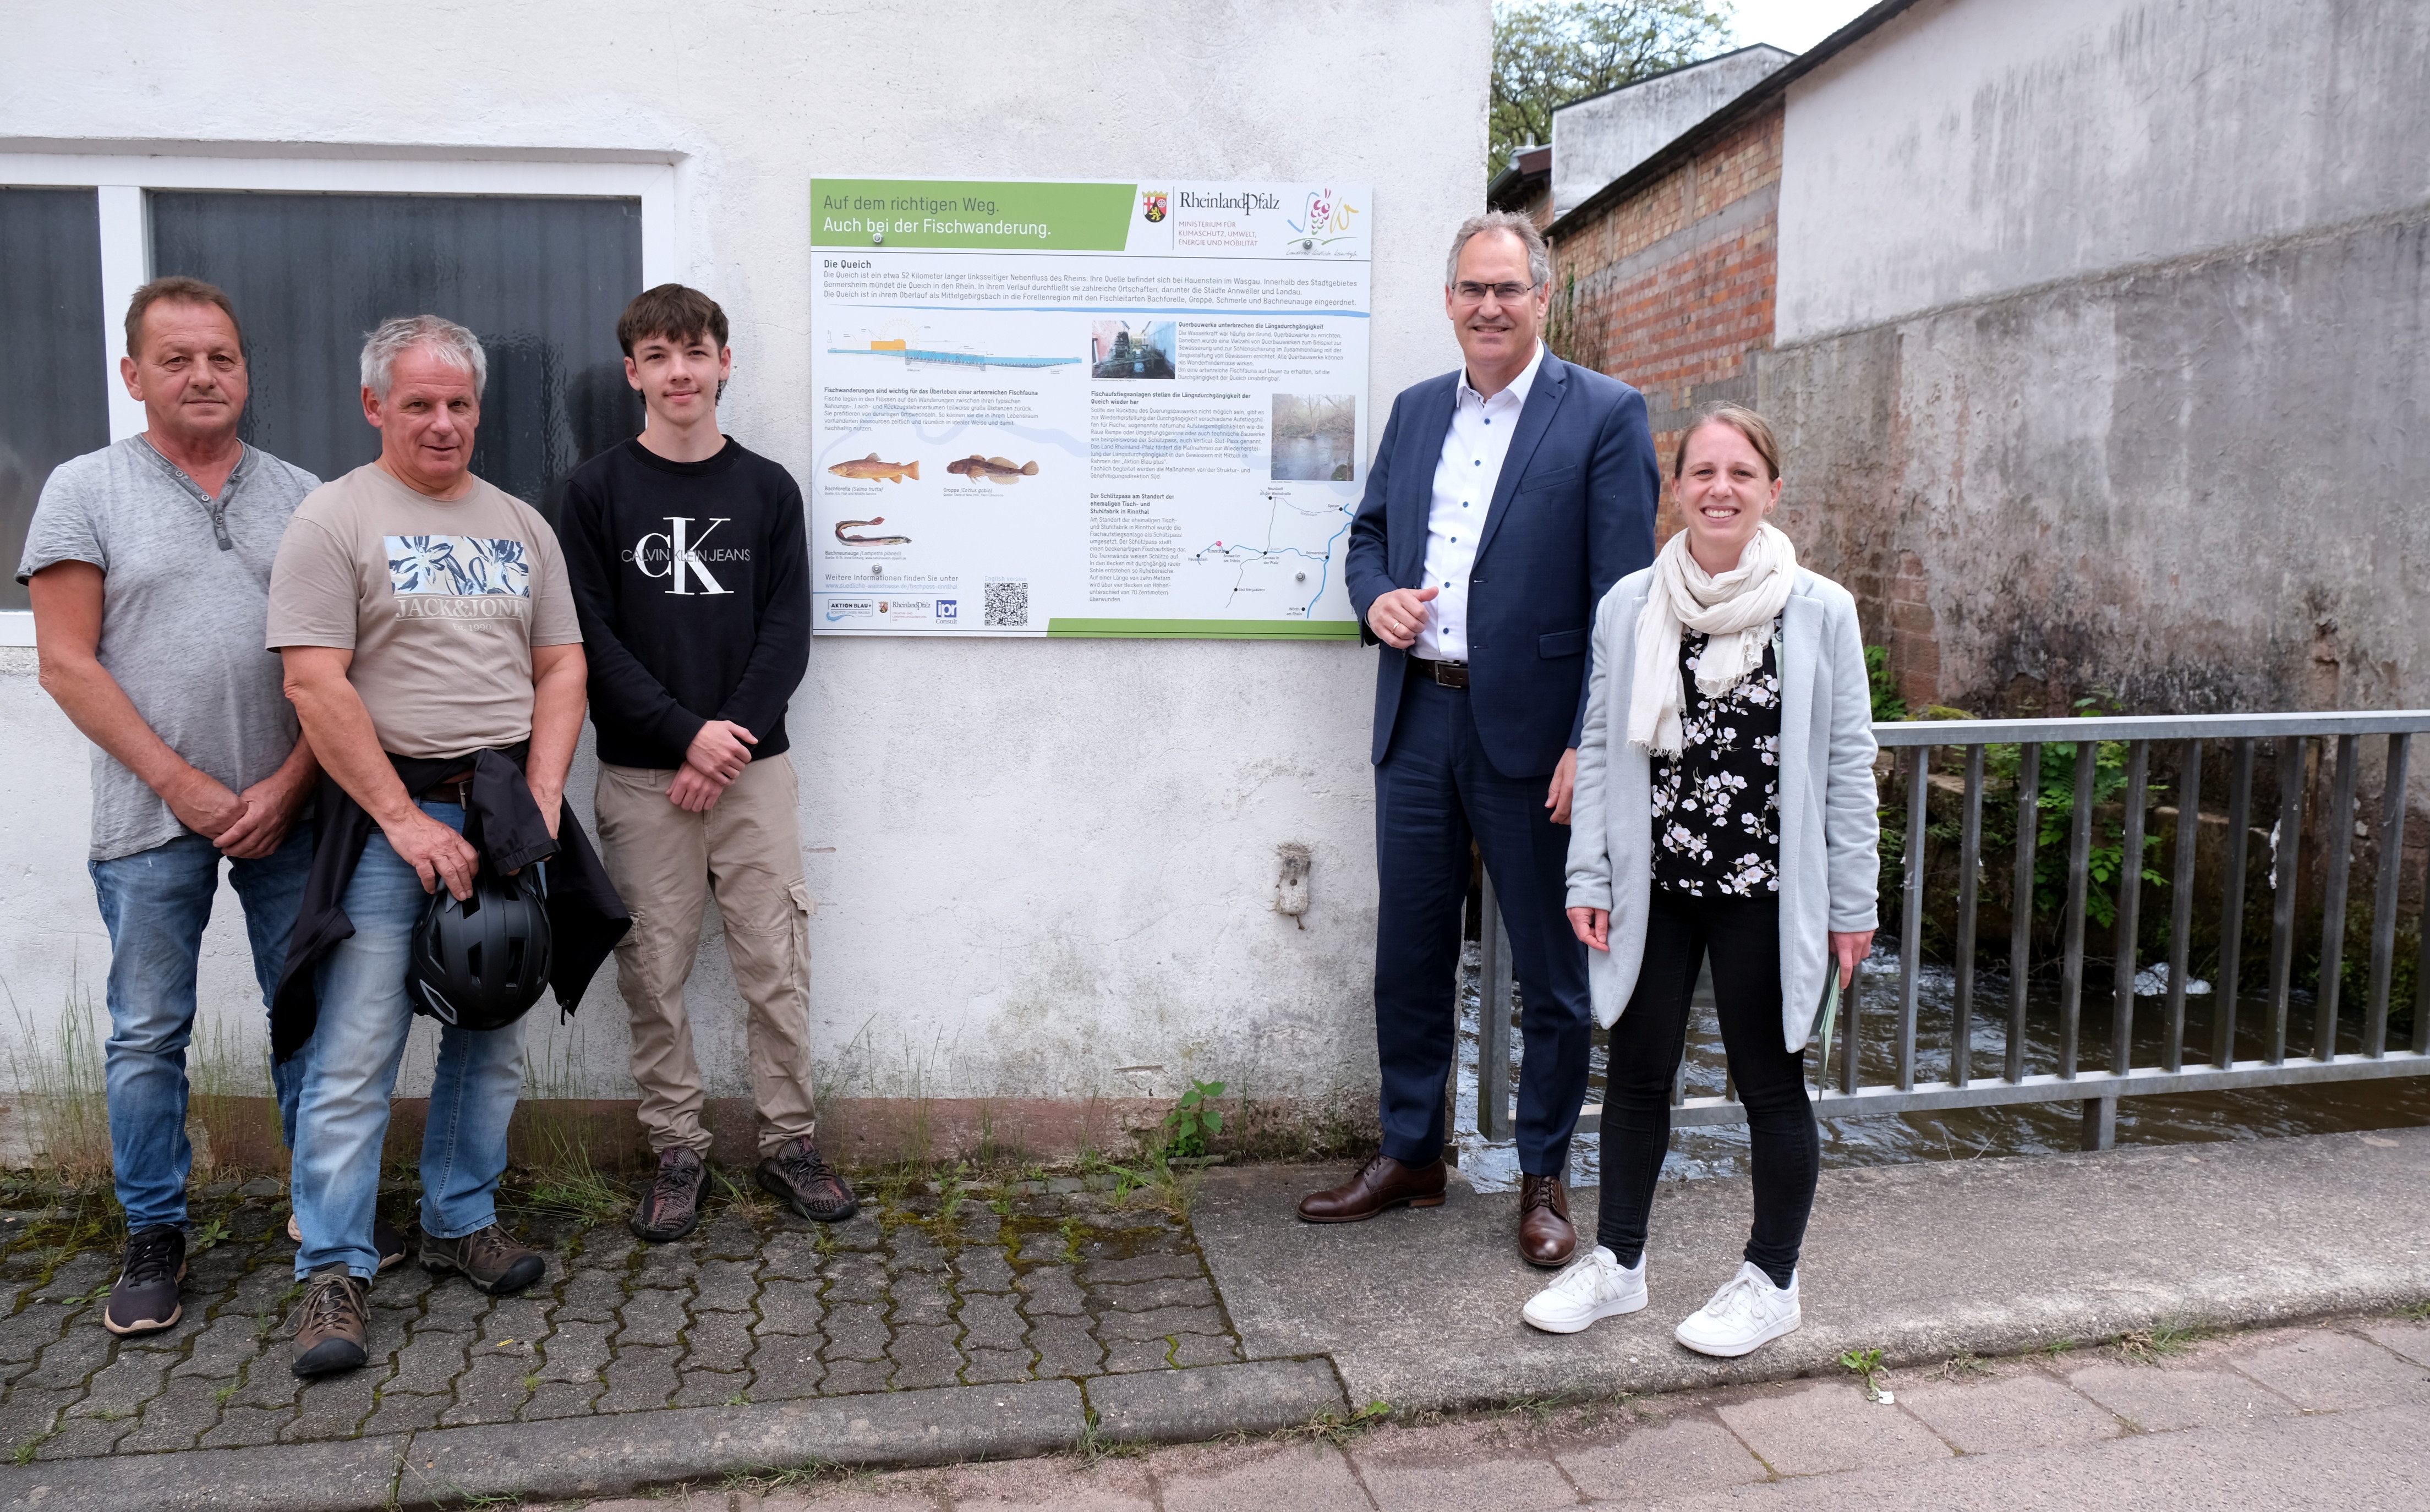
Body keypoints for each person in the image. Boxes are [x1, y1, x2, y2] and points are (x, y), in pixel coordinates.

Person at [18, 276, 400, 1337]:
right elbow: (66, 664)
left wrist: (289, 785)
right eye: (177, 359)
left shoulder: (307, 495)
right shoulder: (83, 490)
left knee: (308, 1017)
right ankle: (155, 1231)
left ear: (247, 371)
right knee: (148, 1031)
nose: (202, 375)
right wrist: (185, 785)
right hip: (150, 819)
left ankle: (317, 1215)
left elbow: (348, 662)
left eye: (221, 357)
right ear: (133, 374)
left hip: (294, 812)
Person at [266, 314, 621, 1378]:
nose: (442, 423)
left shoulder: (520, 522)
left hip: (508, 807)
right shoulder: (333, 519)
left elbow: (562, 667)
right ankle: (332, 1266)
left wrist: (546, 798)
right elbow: (313, 684)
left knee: (493, 1021)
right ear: (375, 406)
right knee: (358, 1045)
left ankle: (461, 1217)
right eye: (418, 403)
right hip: (388, 818)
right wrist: (404, 822)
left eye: (459, 403)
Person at [1311, 211, 1659, 1266]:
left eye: (1509, 290)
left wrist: (1584, 746)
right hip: (1418, 716)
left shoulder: (1602, 413)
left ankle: (1545, 1178)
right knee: (1409, 954)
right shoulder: (1418, 414)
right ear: (1450, 300)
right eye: (1472, 290)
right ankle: (1413, 1153)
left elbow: (1624, 598)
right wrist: (1374, 602)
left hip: (1533, 735)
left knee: (1551, 972)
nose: (1489, 307)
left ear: (1543, 299)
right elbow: (1368, 535)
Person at [1523, 404, 1877, 1357]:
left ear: (1772, 490)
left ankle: (1773, 1280)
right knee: (1636, 1078)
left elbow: (1847, 766)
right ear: (1675, 490)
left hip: (1768, 886)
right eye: (1702, 472)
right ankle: (1621, 1266)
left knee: (1772, 1084)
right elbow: (1599, 750)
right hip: (1657, 885)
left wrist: (1855, 905)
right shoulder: (1631, 604)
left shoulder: (1821, 609)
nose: (1720, 489)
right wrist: (1587, 875)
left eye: (1741, 473)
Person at [558, 284, 853, 1240]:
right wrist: (684, 734)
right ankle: (678, 1150)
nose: (678, 371)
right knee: (653, 968)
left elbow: (785, 633)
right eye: (657, 355)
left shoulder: (767, 489)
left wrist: (723, 741)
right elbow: (589, 638)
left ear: (726, 362)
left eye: (695, 352)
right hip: (646, 777)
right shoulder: (595, 492)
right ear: (633, 372)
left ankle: (789, 1143)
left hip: (753, 772)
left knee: (777, 961)